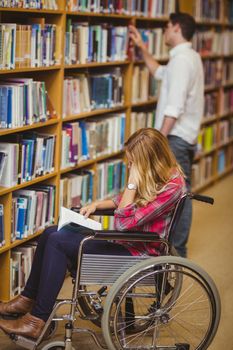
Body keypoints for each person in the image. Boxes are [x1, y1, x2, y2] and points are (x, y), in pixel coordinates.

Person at [0, 128, 185, 339]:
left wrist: (133, 181)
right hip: (127, 243)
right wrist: (97, 205)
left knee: (58, 242)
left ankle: (37, 320)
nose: (129, 165)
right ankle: (27, 299)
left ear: (148, 161)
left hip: (139, 253)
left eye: (132, 162)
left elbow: (123, 223)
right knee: (51, 232)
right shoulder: (156, 174)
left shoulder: (172, 187)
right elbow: (122, 201)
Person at [129, 12, 204, 257]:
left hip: (175, 139)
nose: (164, 31)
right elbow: (159, 73)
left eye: (167, 27)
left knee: (180, 196)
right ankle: (172, 251)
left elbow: (174, 107)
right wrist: (141, 47)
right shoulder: (187, 58)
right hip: (183, 138)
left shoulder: (182, 61)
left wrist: (156, 143)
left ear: (176, 28)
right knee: (179, 193)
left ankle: (177, 254)